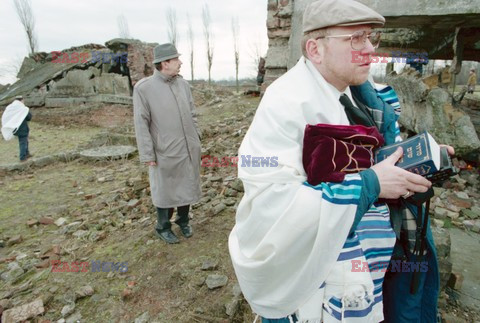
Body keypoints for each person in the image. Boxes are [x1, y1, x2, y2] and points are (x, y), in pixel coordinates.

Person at [228, 0, 452, 322]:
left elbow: (381, 155)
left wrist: (419, 159)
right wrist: (371, 185)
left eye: (370, 38)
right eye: (355, 39)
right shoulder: (284, 104)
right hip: (319, 279)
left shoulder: (366, 95)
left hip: (374, 265)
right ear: (315, 49)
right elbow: (273, 201)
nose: (368, 50)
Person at [133, 43, 202, 244]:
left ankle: (183, 220)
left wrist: (196, 137)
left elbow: (192, 113)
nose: (180, 62)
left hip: (188, 147)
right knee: (165, 189)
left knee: (187, 184)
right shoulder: (144, 89)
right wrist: (147, 154)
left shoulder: (183, 85)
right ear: (165, 63)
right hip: (164, 150)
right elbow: (141, 123)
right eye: (176, 59)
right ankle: (163, 226)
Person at [1, 96, 33, 161]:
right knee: (23, 142)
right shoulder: (23, 108)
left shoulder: (10, 108)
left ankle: (27, 153)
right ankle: (22, 157)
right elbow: (29, 117)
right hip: (23, 128)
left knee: (24, 141)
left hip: (15, 128)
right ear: (21, 100)